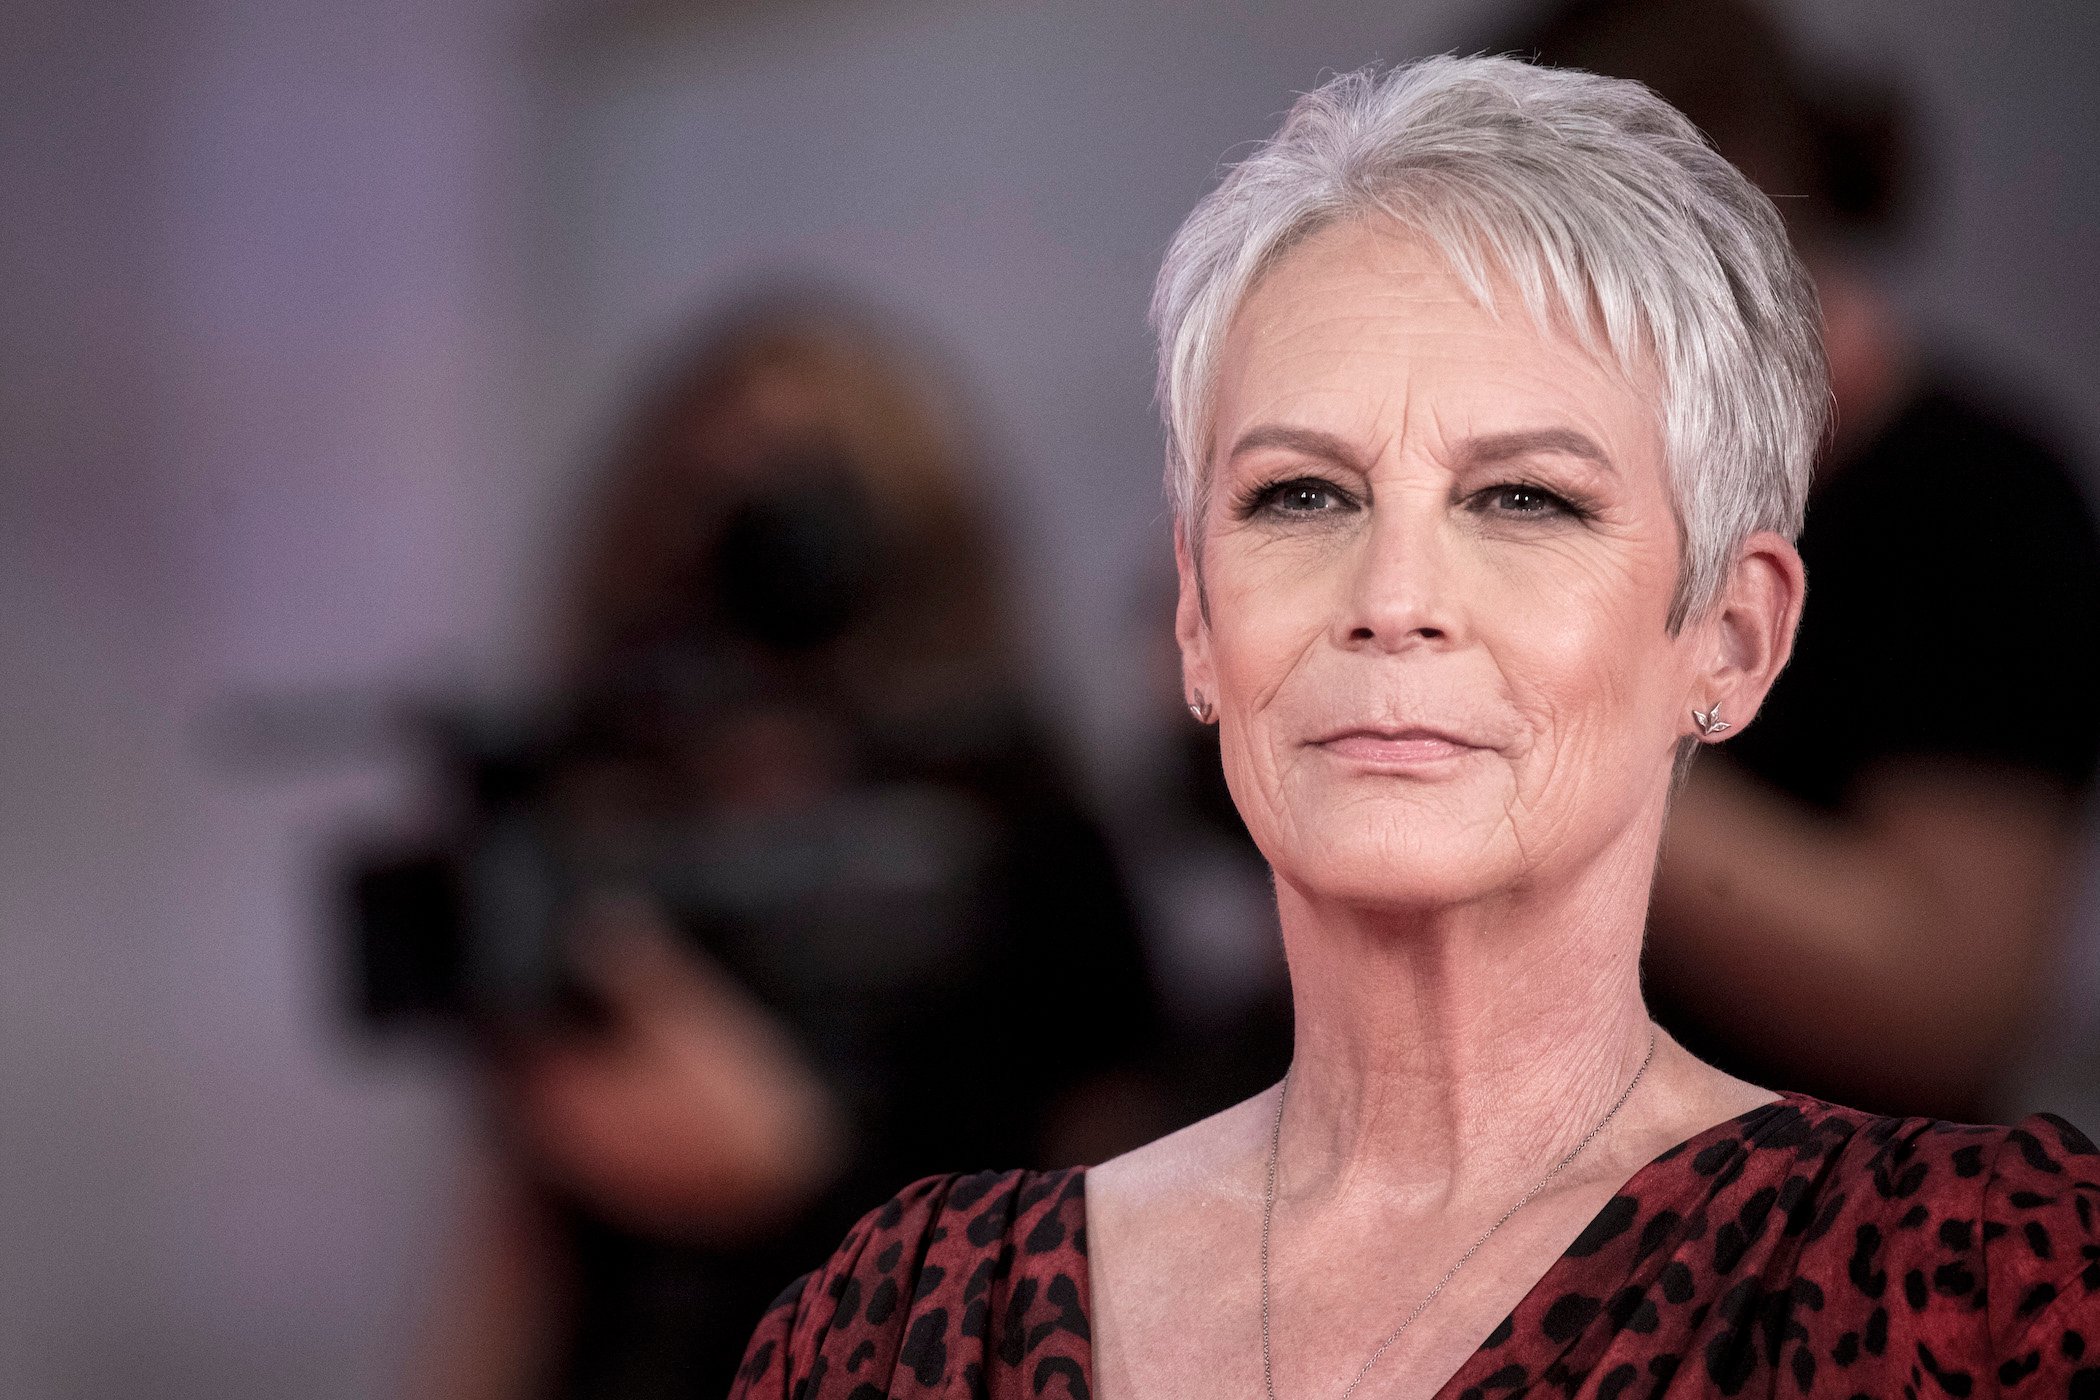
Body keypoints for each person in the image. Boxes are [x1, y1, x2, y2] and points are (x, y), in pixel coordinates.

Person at [727, 58, 2100, 1400]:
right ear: (1196, 623)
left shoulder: (1992, 1290)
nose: (1393, 602)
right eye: (1302, 498)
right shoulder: (909, 1320)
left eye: (1524, 501)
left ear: (1733, 638)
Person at [409, 297, 1162, 1400]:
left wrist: (796, 1174)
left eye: (804, 510)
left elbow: (1125, 1245)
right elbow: (515, 1254)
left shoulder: (1019, 838)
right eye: (708, 512)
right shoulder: (604, 837)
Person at [1496, 0, 2100, 1138]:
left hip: (1824, 1244)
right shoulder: (1607, 471)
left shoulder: (1973, 499)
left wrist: (1552, 741)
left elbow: (1943, 1001)